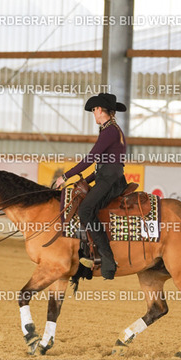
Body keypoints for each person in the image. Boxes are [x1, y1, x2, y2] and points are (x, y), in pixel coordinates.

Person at [53, 93, 128, 280]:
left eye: (94, 110)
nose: (93, 113)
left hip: (110, 180)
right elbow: (103, 164)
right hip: (108, 177)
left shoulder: (109, 131)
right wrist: (86, 180)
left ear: (100, 110)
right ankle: (89, 252)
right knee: (88, 206)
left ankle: (107, 259)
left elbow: (91, 158)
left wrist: (65, 176)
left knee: (85, 210)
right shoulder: (110, 129)